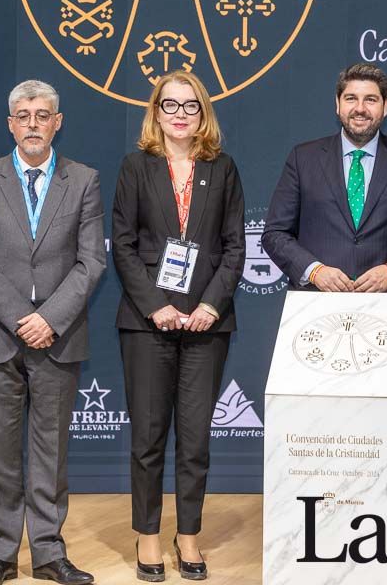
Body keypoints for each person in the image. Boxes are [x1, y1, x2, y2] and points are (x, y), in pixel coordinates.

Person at [0, 80, 106, 585]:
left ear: (57, 122)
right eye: (22, 116)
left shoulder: (83, 179)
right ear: (10, 123)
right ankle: (0, 554)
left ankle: (48, 554)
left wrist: (50, 319)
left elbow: (92, 261)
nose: (32, 125)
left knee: (51, 453)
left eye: (42, 116)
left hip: (58, 335)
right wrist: (24, 318)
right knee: (0, 453)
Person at [111, 70, 246, 582]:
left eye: (191, 106)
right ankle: (148, 537)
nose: (181, 114)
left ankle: (187, 535)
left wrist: (210, 306)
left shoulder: (223, 168)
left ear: (203, 113)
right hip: (149, 324)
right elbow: (122, 245)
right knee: (148, 438)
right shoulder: (135, 168)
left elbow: (235, 246)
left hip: (207, 324)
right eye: (171, 105)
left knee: (195, 441)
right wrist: (155, 306)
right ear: (156, 112)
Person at [261, 63, 387, 333]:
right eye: (351, 98)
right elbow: (275, 233)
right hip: (317, 310)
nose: (360, 108)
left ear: (385, 107)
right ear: (337, 105)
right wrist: (315, 271)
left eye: (370, 99)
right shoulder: (303, 158)